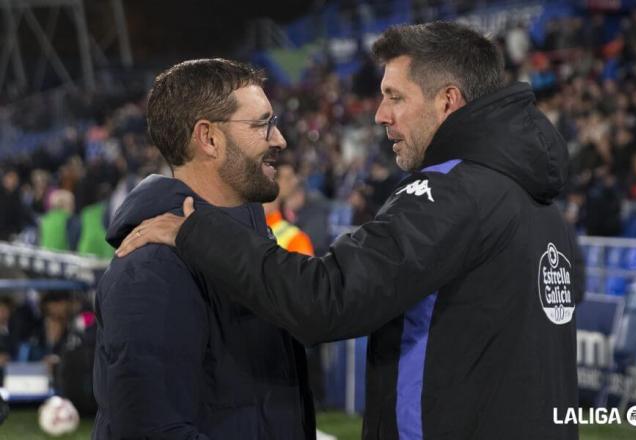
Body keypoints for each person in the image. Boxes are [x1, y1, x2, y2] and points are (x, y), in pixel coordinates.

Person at [118, 22, 584, 440]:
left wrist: (195, 233)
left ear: (447, 100)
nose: (380, 114)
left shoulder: (452, 193)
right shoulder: (536, 201)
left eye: (395, 96)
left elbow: (327, 299)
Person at [93, 59, 315, 439]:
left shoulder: (250, 245)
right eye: (262, 124)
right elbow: (151, 432)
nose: (279, 140)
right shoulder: (151, 267)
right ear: (209, 138)